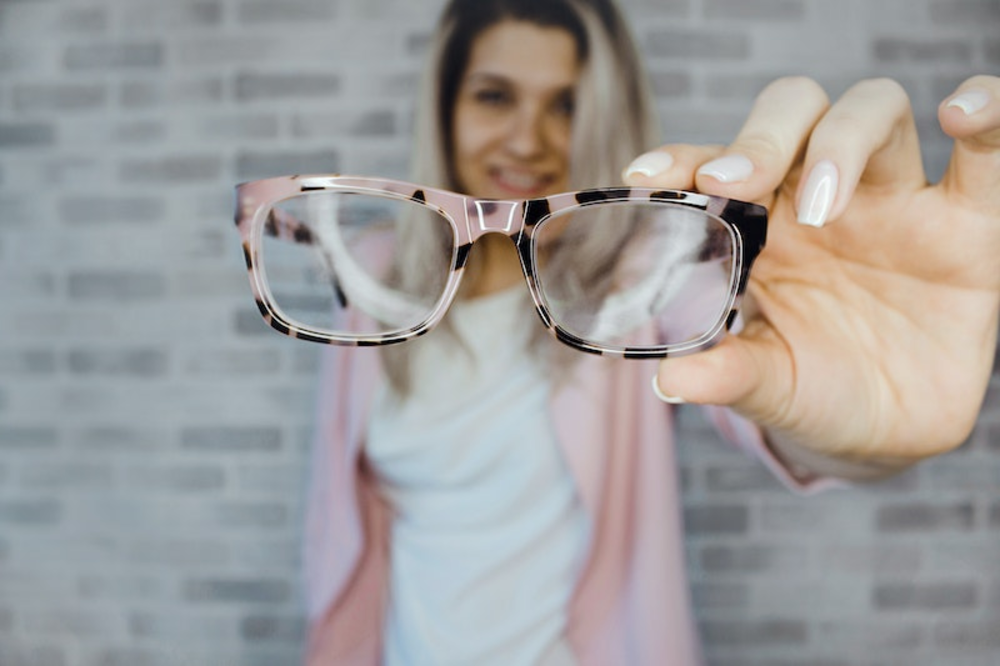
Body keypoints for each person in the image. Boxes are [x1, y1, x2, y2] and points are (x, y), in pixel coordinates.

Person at [292, 0, 1000, 663]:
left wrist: (867, 417)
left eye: (566, 104)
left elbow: (767, 389)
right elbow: (344, 523)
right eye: (494, 95)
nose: (526, 139)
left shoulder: (643, 271)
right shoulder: (373, 272)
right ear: (443, 107)